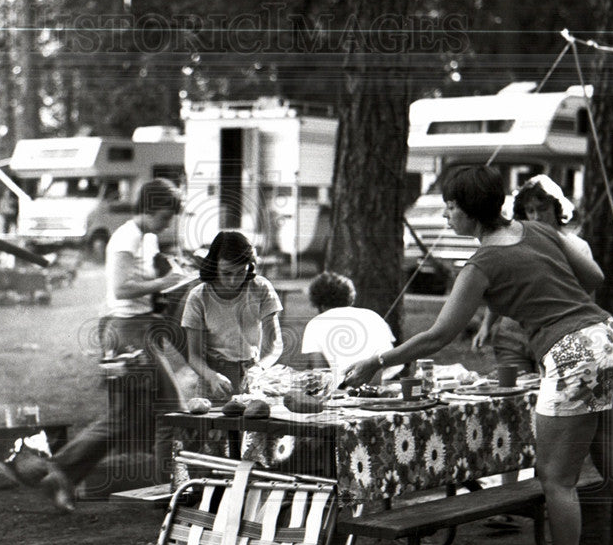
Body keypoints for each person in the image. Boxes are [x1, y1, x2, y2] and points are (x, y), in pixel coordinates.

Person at [342, 165, 613, 545]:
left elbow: (439, 335)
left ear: (469, 212)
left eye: (450, 207)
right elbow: (594, 278)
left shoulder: (480, 264)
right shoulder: (538, 230)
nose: (446, 215)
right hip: (612, 339)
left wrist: (377, 360)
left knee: (556, 479)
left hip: (572, 353)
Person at [39, 178, 189, 512]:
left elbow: (139, 281)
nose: (169, 222)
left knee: (129, 417)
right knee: (170, 409)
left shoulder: (145, 238)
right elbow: (121, 289)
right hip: (129, 332)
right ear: (149, 209)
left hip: (140, 328)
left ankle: (63, 474)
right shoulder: (126, 237)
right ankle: (168, 490)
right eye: (166, 215)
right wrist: (164, 282)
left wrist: (170, 274)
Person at [472, 174, 593, 374]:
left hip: (553, 335)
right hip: (512, 336)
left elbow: (587, 293)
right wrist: (486, 325)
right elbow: (505, 288)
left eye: (543, 209)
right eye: (530, 211)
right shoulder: (515, 245)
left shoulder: (577, 247)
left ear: (556, 208)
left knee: (547, 397)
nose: (536, 216)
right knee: (513, 393)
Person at [181, 231, 283, 399]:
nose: (233, 281)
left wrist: (259, 369)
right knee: (213, 423)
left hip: (252, 373)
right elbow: (194, 356)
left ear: (250, 267)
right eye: (226, 273)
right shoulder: (199, 296)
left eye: (240, 273)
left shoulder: (261, 288)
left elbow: (274, 345)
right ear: (214, 266)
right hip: (213, 376)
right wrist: (212, 376)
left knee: (252, 422)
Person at [299, 271, 402, 387]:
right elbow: (390, 351)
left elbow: (320, 371)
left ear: (319, 304)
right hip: (391, 382)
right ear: (350, 298)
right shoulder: (372, 315)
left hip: (349, 385)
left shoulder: (315, 324)